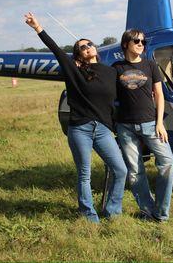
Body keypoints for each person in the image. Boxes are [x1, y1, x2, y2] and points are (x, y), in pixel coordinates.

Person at [24, 12, 127, 223]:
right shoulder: (74, 71)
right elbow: (56, 51)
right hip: (80, 128)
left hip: (103, 129)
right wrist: (38, 28)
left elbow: (127, 91)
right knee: (85, 174)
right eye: (82, 47)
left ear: (95, 48)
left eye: (90, 44)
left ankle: (113, 211)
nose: (88, 46)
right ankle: (89, 216)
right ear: (78, 56)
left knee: (121, 170)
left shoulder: (111, 72)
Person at [113, 29, 173, 221]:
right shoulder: (116, 68)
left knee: (168, 164)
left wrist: (160, 123)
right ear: (126, 44)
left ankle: (161, 213)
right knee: (135, 171)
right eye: (136, 41)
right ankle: (148, 209)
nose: (141, 44)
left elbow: (159, 95)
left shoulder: (150, 65)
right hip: (125, 127)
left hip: (151, 124)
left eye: (143, 41)